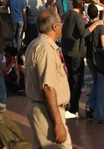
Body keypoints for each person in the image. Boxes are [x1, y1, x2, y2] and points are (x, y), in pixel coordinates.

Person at [25, 10, 71, 149]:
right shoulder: (45, 49)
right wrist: (57, 123)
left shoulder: (36, 43)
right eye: (60, 23)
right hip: (47, 111)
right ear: (54, 27)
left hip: (42, 109)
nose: (62, 26)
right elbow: (48, 88)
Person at [61, 0, 104, 119]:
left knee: (70, 79)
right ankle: (74, 108)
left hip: (67, 50)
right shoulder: (77, 16)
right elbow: (83, 33)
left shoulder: (67, 14)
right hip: (76, 52)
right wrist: (96, 24)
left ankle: (69, 105)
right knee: (77, 81)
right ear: (81, 5)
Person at [85, 3, 104, 123]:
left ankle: (90, 105)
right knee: (101, 85)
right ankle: (99, 114)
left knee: (96, 82)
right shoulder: (100, 26)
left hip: (89, 57)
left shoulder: (87, 25)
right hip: (99, 57)